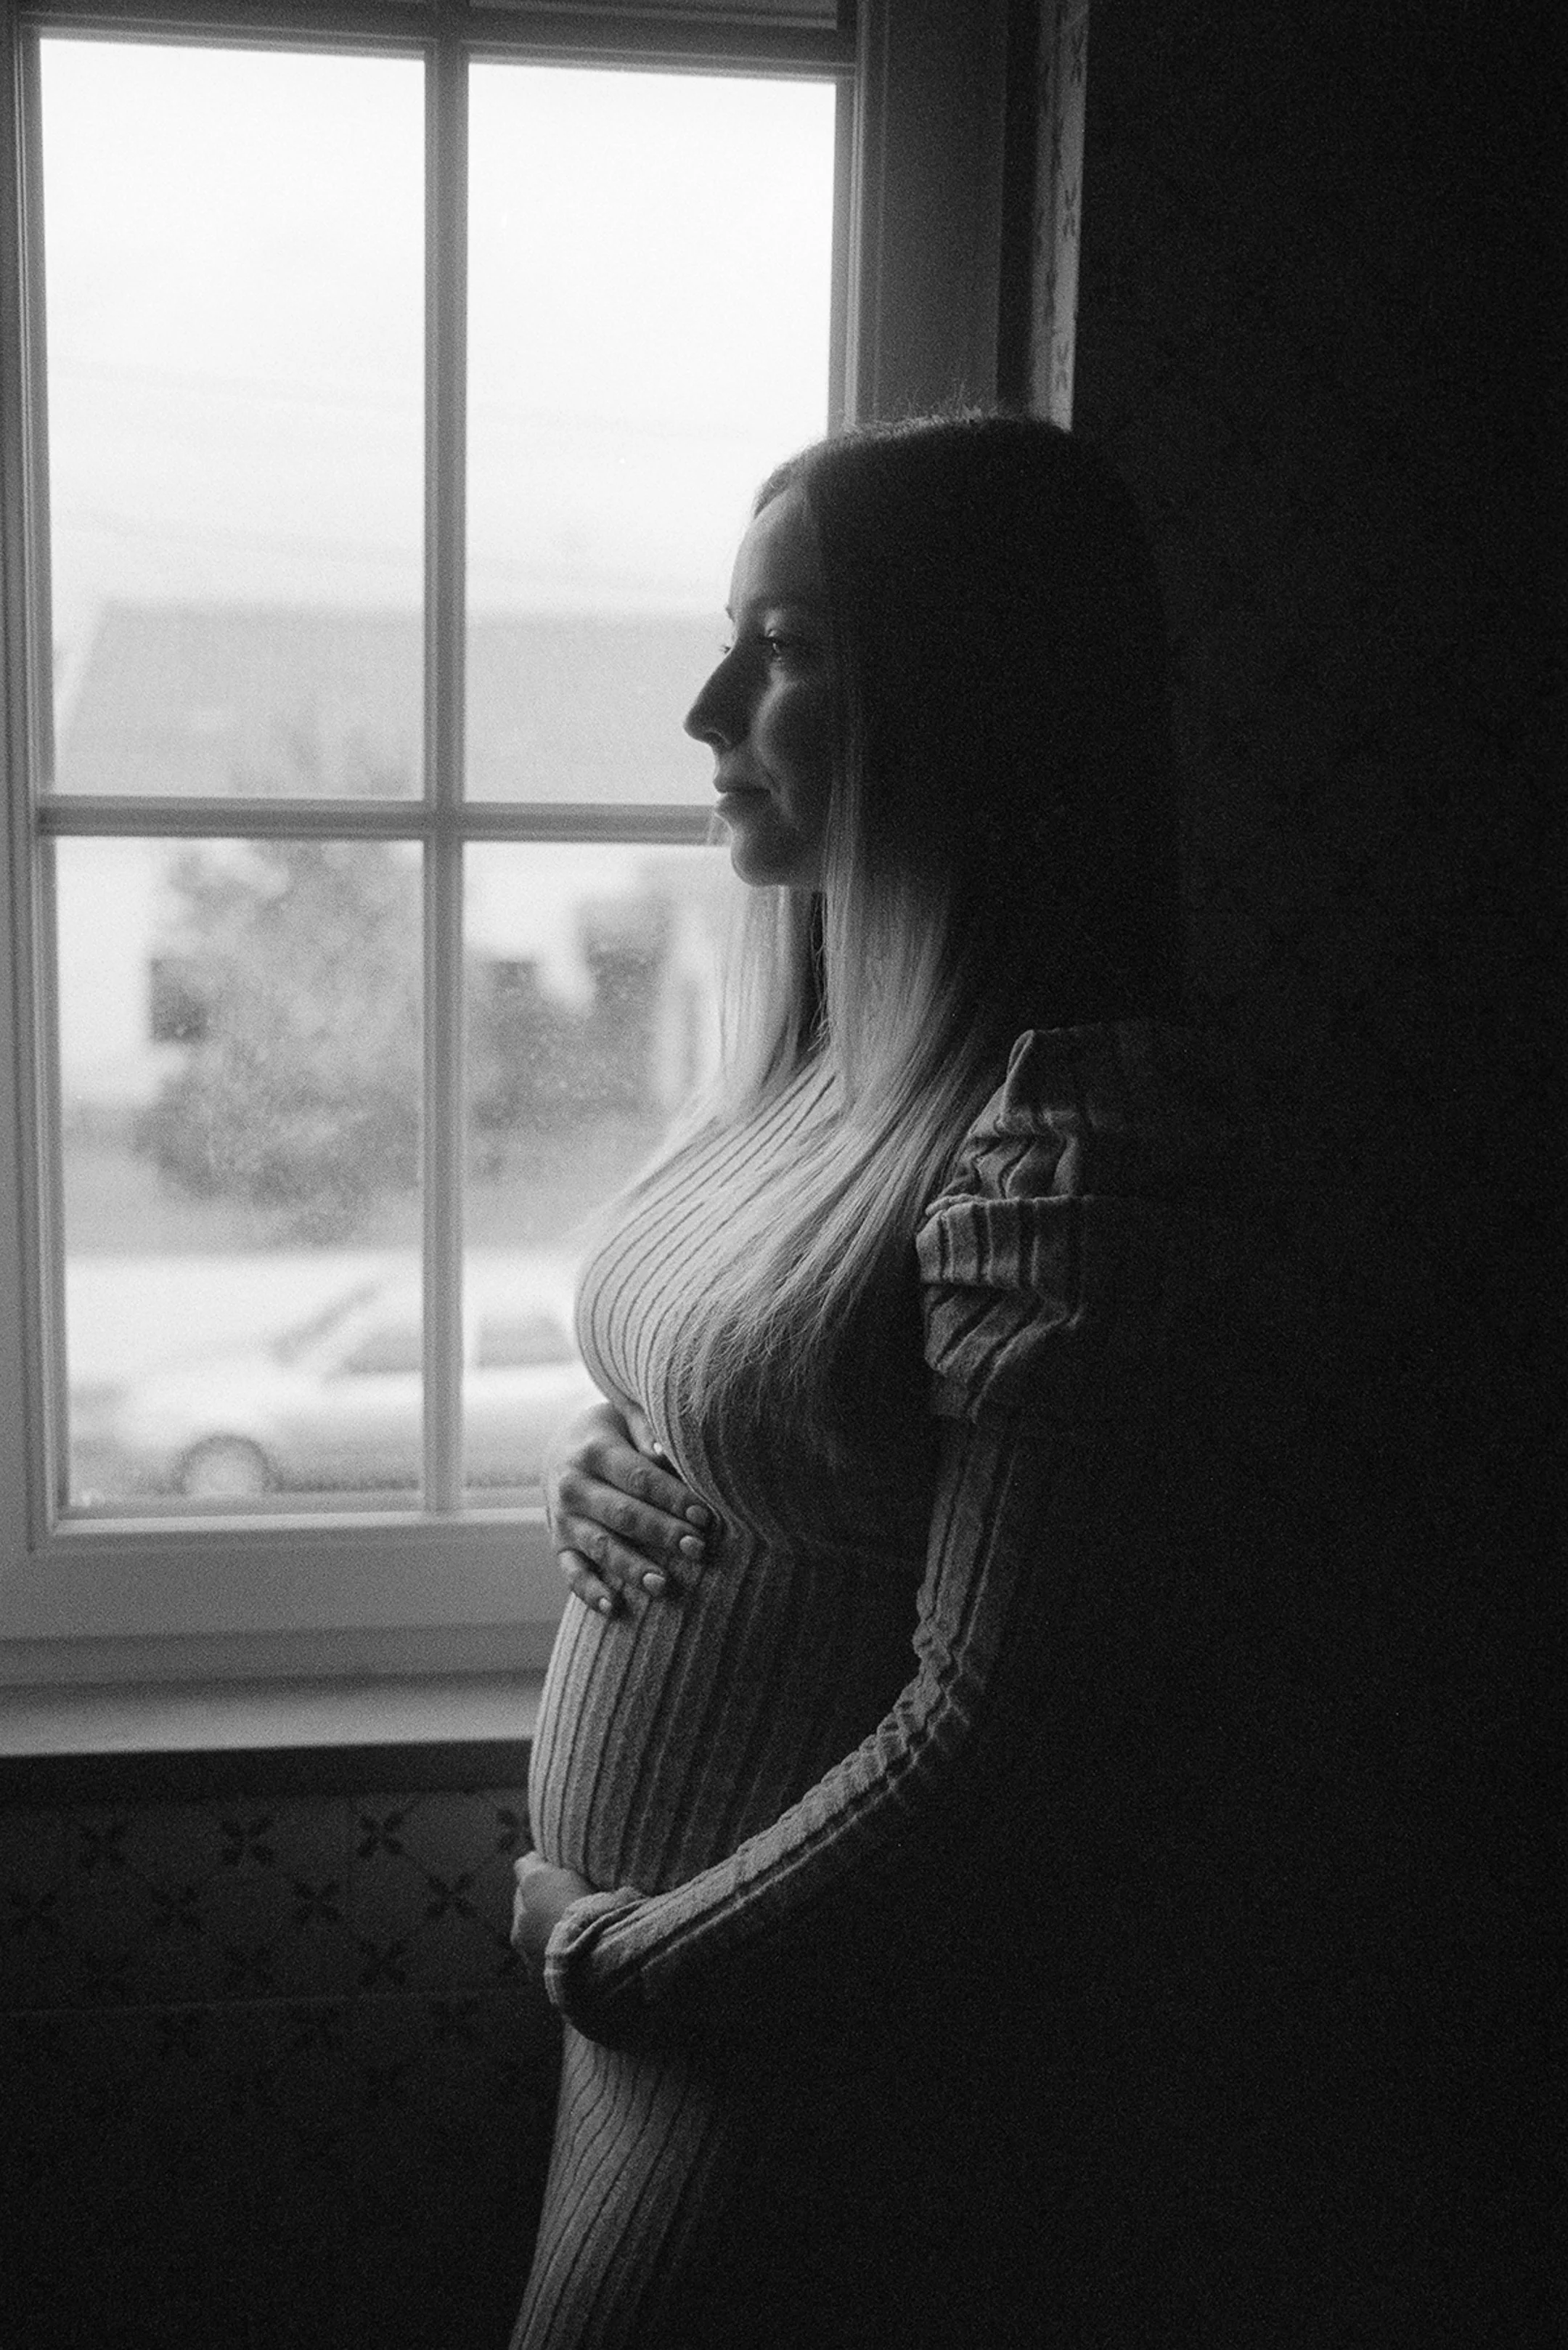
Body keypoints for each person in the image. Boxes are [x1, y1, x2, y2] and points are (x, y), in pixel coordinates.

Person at [509, 413, 1272, 2348]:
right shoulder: (816, 1071)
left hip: (809, 2060)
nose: (707, 711)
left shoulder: (1075, 1148)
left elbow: (1004, 1744)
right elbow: (759, 1393)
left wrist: (625, 1960)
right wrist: (598, 1453)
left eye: (781, 650)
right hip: (668, 2023)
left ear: (965, 704)